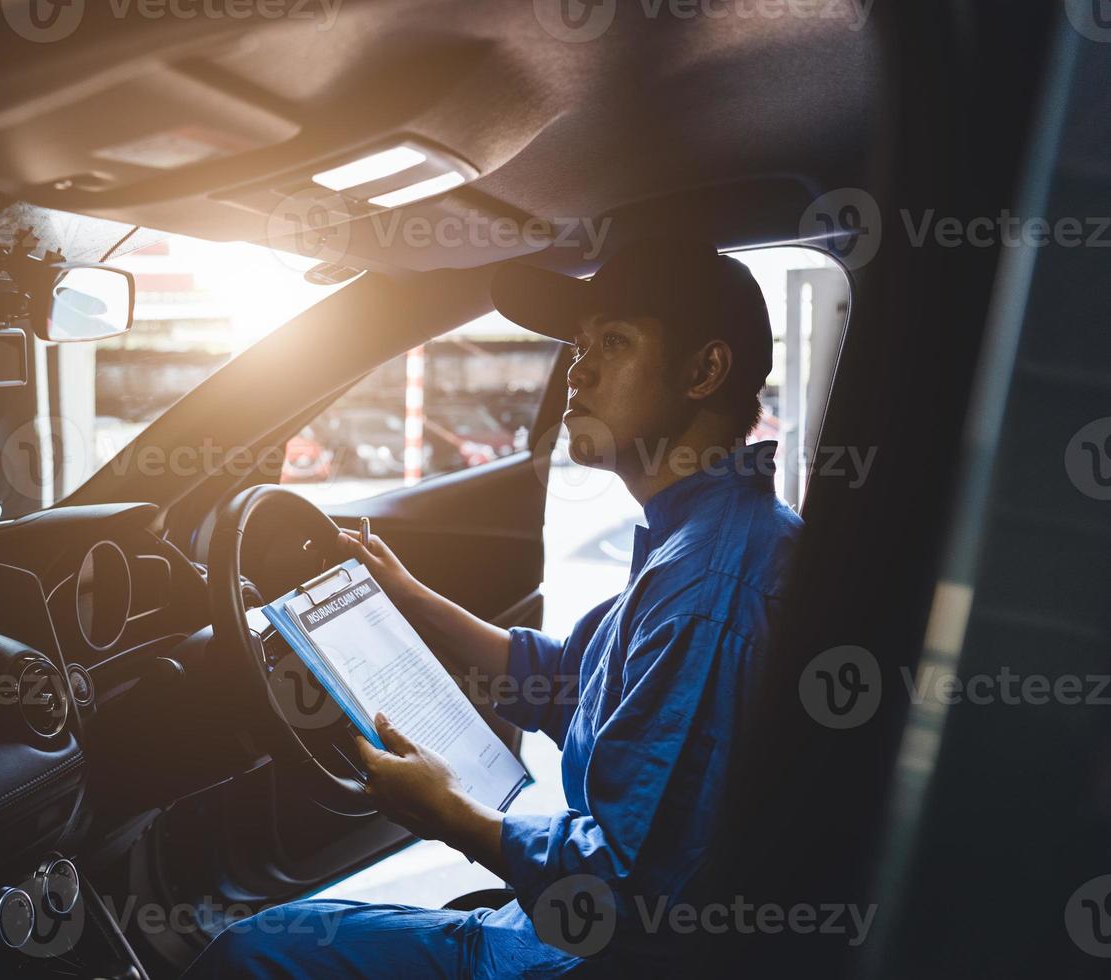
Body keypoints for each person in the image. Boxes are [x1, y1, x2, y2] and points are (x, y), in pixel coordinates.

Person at [183, 238, 803, 977]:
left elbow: (632, 887)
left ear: (703, 371)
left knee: (248, 954)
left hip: (577, 955)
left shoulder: (709, 589)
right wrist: (409, 597)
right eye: (578, 344)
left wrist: (452, 816)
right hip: (548, 927)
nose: (579, 367)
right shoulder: (704, 536)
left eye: (614, 341)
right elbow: (569, 681)